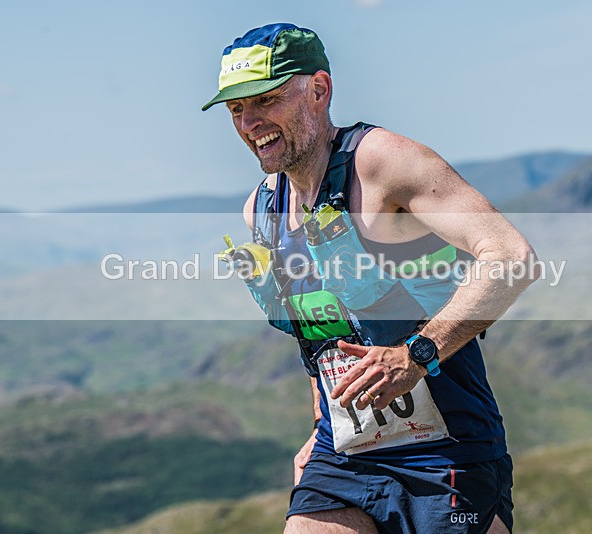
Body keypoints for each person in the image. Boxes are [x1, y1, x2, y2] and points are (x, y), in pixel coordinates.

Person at [204, 23, 537, 534]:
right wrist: (321, 427)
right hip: (344, 458)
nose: (250, 123)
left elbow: (511, 257)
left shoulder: (382, 163)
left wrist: (415, 355)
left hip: (447, 454)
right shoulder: (262, 210)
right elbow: (321, 333)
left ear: (319, 90)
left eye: (266, 100)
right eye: (235, 109)